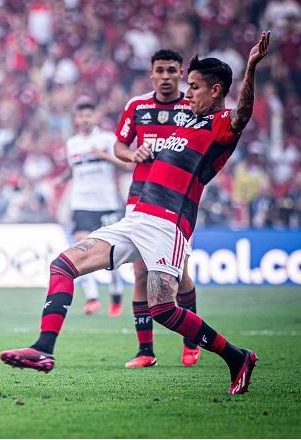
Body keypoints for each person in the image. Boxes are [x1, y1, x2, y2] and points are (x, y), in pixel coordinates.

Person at [0, 32, 270, 395]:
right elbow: (130, 140)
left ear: (216, 90)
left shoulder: (221, 124)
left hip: (168, 224)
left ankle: (237, 358)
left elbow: (243, 114)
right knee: (62, 265)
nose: (186, 93)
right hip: (136, 216)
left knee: (163, 309)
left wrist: (251, 66)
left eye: (193, 87)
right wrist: (131, 153)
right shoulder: (184, 120)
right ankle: (43, 350)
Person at [113, 49, 200, 368]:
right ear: (151, 73)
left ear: (181, 74)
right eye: (160, 70)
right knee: (139, 272)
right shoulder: (137, 106)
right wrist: (132, 154)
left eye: (171, 70)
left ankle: (192, 339)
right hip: (139, 198)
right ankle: (145, 351)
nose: (165, 76)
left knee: (179, 275)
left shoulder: (191, 108)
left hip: (177, 200)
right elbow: (119, 146)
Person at [57, 100, 129, 317]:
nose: (84, 120)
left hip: (106, 203)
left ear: (94, 117)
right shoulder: (72, 144)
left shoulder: (107, 140)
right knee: (80, 249)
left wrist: (104, 156)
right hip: (81, 205)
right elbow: (75, 169)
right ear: (76, 119)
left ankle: (116, 296)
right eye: (80, 116)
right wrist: (62, 178)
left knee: (110, 254)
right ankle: (92, 298)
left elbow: (127, 164)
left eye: (88, 115)